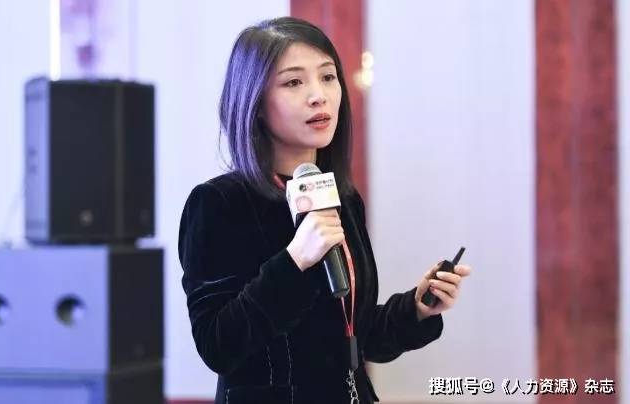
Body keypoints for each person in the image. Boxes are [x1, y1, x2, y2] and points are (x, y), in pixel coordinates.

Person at [178, 16, 472, 404]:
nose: (318, 96)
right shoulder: (218, 203)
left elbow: (354, 335)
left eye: (328, 77)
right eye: (293, 82)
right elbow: (218, 346)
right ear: (255, 102)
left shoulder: (342, 198)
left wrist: (416, 309)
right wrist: (294, 261)